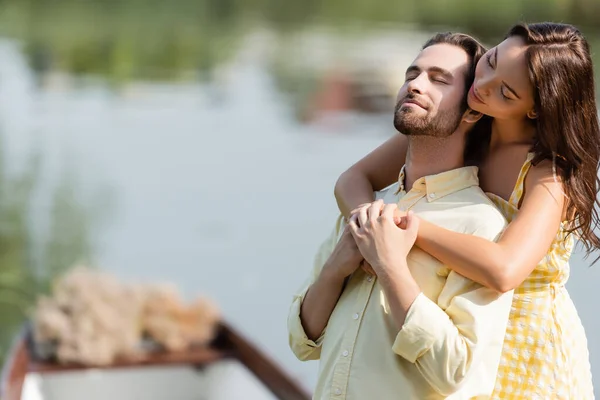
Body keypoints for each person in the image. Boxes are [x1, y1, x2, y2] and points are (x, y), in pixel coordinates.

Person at [335, 22, 597, 399]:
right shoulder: (469, 123)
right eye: (490, 62)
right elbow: (352, 178)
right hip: (460, 327)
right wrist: (369, 226)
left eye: (505, 92)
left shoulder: (547, 172)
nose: (482, 85)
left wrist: (404, 227)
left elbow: (504, 270)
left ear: (536, 109)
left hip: (524, 341)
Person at [288, 32, 513, 400]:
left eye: (438, 79)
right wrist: (335, 270)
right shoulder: (366, 208)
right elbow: (303, 343)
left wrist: (390, 267)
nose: (415, 85)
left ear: (473, 109)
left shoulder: (479, 224)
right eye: (412, 74)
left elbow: (455, 370)